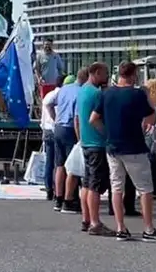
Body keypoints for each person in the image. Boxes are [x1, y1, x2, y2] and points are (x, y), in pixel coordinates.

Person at [90, 61, 156, 242]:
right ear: (134, 74)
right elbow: (152, 118)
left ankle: (121, 228)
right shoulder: (137, 95)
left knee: (116, 187)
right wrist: (147, 95)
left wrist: (107, 133)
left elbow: (93, 119)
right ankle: (148, 229)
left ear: (119, 73)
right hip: (134, 146)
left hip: (113, 147)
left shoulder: (106, 94)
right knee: (145, 189)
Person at [75, 63, 115, 236]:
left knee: (87, 182)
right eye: (105, 74)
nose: (106, 77)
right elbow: (96, 119)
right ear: (97, 73)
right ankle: (95, 222)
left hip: (86, 142)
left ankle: (86, 219)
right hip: (97, 143)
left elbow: (78, 118)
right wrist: (107, 135)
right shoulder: (97, 94)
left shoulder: (83, 90)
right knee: (95, 186)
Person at [47, 69, 88, 213]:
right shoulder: (81, 91)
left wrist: (55, 118)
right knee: (74, 166)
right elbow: (77, 118)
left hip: (58, 127)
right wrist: (80, 139)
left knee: (60, 165)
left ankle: (58, 198)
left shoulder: (64, 89)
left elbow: (50, 104)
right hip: (71, 128)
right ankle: (69, 199)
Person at [40, 75, 63, 200]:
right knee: (58, 162)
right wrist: (56, 120)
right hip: (55, 129)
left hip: (46, 129)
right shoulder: (60, 96)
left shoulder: (49, 95)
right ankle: (57, 189)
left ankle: (48, 188)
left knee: (49, 161)